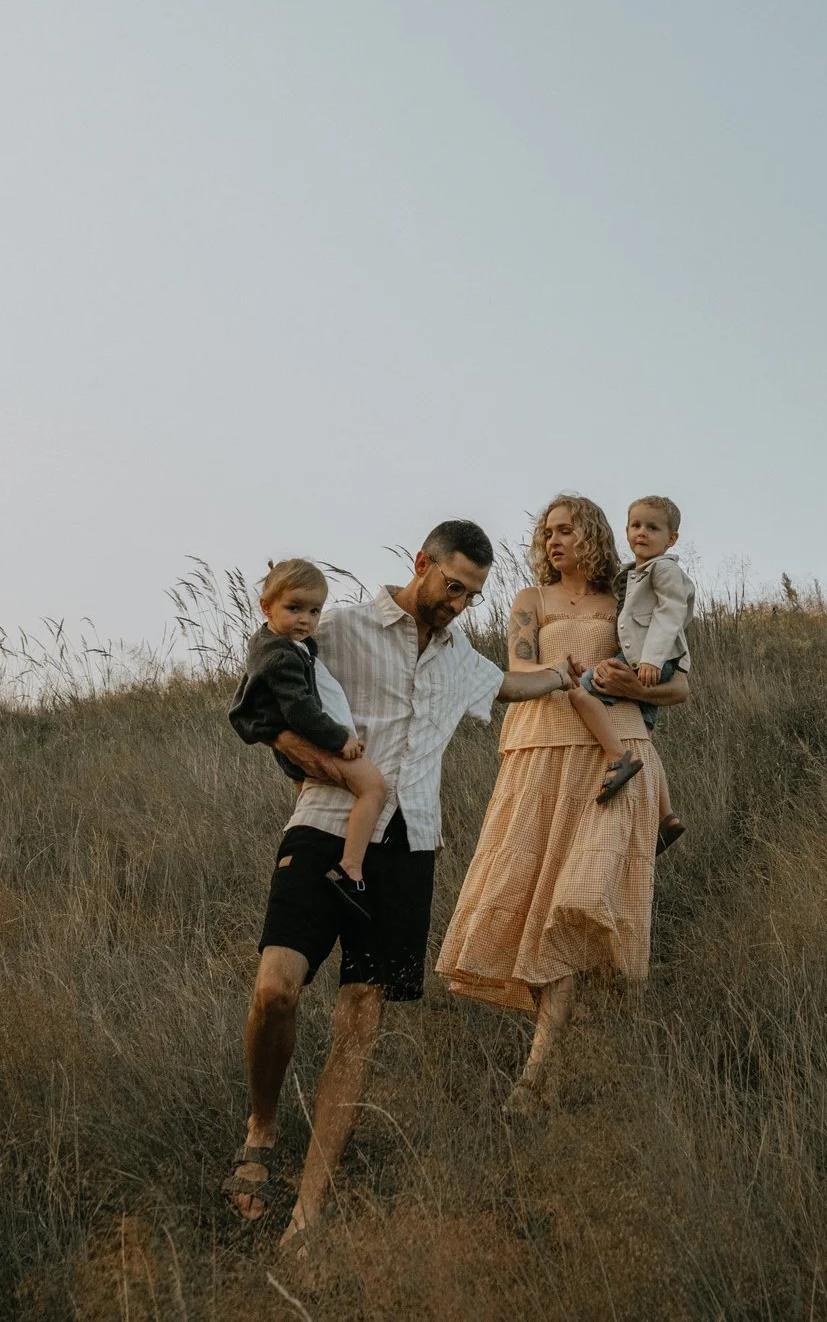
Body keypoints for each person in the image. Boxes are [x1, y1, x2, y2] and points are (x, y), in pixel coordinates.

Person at [223, 519, 584, 1247]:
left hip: (410, 846)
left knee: (360, 1020)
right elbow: (265, 700)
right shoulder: (342, 627)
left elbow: (513, 683)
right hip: (326, 820)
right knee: (274, 989)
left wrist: (570, 674)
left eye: (472, 594)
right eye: (451, 585)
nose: (458, 603)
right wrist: (303, 756)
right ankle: (262, 1127)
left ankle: (309, 1211)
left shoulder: (461, 659)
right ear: (422, 563)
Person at [434, 494, 689, 1116]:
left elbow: (680, 684)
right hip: (539, 754)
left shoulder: (632, 596)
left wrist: (633, 681)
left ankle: (536, 1072)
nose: (553, 541)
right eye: (547, 532)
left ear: (594, 534)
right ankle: (551, 1062)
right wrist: (569, 672)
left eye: (566, 530)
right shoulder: (532, 602)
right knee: (533, 901)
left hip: (618, 756)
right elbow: (520, 670)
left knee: (575, 901)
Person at [225, 559, 383, 918]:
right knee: (374, 788)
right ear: (266, 607)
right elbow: (299, 710)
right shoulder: (279, 654)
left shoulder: (281, 643)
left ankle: (312, 855)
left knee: (310, 805)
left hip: (304, 747)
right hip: (319, 742)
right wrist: (338, 740)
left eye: (314, 611)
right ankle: (350, 869)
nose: (305, 620)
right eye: (294, 608)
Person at [579, 495, 693, 848]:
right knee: (642, 734)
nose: (642, 533)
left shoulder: (664, 569)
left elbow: (670, 615)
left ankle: (617, 760)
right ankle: (666, 817)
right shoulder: (636, 571)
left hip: (650, 659)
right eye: (635, 525)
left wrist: (651, 661)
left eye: (653, 527)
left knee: (583, 686)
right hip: (646, 658)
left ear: (671, 538)